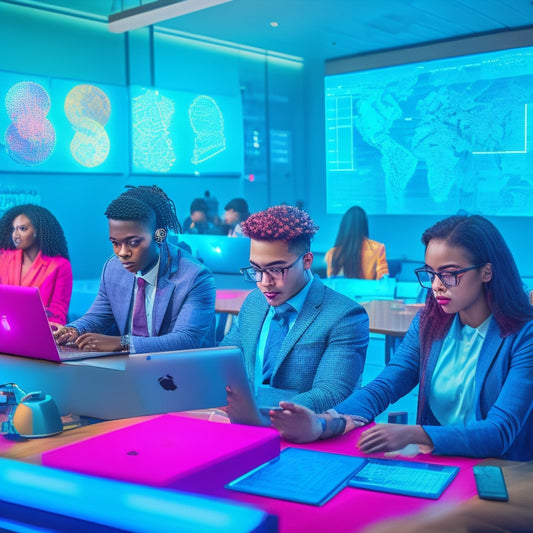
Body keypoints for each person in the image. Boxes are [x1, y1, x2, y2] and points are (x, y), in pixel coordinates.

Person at [271, 214, 533, 461]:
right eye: (431, 273)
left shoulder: (524, 336)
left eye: (450, 274)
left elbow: (499, 432)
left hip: (501, 471)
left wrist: (413, 433)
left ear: (486, 272)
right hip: (440, 463)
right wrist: (325, 421)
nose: (437, 285)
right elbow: (384, 386)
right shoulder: (428, 323)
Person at [220, 204, 369, 418]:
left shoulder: (344, 315)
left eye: (276, 270)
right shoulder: (254, 302)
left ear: (307, 261)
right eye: (256, 269)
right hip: (247, 426)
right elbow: (225, 359)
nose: (264, 282)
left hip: (305, 438)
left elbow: (331, 393)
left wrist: (261, 413)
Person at [54, 185, 216, 354]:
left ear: (159, 235)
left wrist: (123, 343)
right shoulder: (113, 268)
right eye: (115, 243)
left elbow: (186, 340)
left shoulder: (195, 276)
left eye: (133, 243)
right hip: (130, 370)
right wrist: (74, 330)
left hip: (181, 373)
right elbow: (98, 316)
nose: (122, 253)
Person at [0, 204, 72, 325]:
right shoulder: (3, 257)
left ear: (38, 231)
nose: (16, 235)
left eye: (22, 229)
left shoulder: (60, 265)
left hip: (38, 329)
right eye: (14, 229)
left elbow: (58, 313)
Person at [325, 206, 389, 279]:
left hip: (340, 290)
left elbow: (331, 285)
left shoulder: (332, 253)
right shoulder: (378, 248)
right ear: (364, 225)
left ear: (344, 226)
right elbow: (383, 282)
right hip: (368, 290)